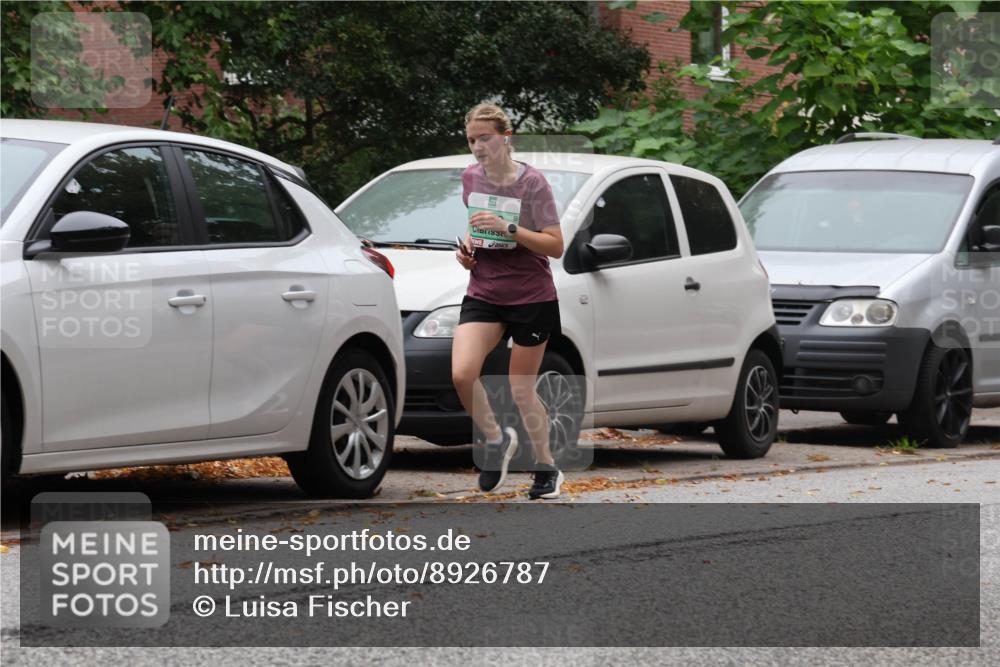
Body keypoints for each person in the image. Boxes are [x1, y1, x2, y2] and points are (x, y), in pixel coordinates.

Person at [452, 103, 565, 499]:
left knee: (521, 389)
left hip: (530, 296)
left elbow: (556, 246)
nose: (478, 147)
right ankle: (497, 440)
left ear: (506, 138)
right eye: (471, 140)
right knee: (463, 374)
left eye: (485, 138)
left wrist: (511, 228)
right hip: (484, 289)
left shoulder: (533, 184)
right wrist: (467, 251)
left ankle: (547, 468)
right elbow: (476, 230)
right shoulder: (470, 177)